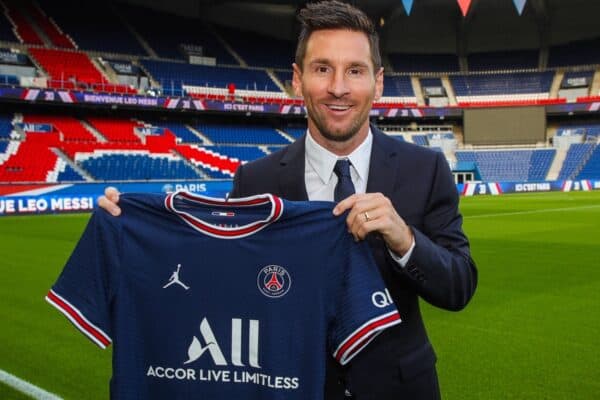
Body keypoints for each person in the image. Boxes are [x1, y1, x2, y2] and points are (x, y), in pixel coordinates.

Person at [99, 1, 477, 399]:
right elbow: (221, 286)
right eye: (321, 68)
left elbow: (459, 286)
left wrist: (404, 240)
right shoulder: (254, 181)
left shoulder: (426, 168)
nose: (338, 87)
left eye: (355, 70)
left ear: (378, 82)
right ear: (297, 79)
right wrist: (135, 237)